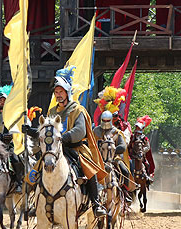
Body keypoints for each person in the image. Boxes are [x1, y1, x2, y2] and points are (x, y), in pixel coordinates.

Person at [45, 67, 107, 217]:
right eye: (56, 92)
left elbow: (80, 131)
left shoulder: (78, 110)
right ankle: (38, 201)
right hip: (54, 148)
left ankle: (95, 203)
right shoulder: (52, 112)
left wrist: (62, 138)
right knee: (36, 168)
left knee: (88, 168)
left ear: (67, 92)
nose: (58, 95)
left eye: (61, 92)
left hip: (75, 148)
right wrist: (34, 131)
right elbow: (46, 129)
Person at [0, 84, 24, 193]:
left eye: (4, 100)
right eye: (0, 100)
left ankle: (18, 183)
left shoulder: (12, 116)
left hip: (7, 146)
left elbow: (15, 130)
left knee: (16, 159)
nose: (2, 102)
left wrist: (9, 136)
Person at [93, 110, 133, 202]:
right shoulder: (96, 131)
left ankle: (125, 193)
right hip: (98, 159)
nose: (106, 122)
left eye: (108, 121)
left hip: (114, 158)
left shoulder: (117, 132)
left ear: (111, 120)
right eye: (104, 120)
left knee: (124, 171)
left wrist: (111, 151)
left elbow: (122, 146)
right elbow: (90, 144)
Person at [128, 116, 155, 181]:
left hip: (141, 155)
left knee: (146, 165)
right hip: (131, 155)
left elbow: (147, 147)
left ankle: (147, 177)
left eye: (139, 128)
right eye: (136, 127)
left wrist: (142, 150)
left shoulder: (144, 138)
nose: (137, 129)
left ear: (142, 129)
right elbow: (128, 145)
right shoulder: (131, 137)